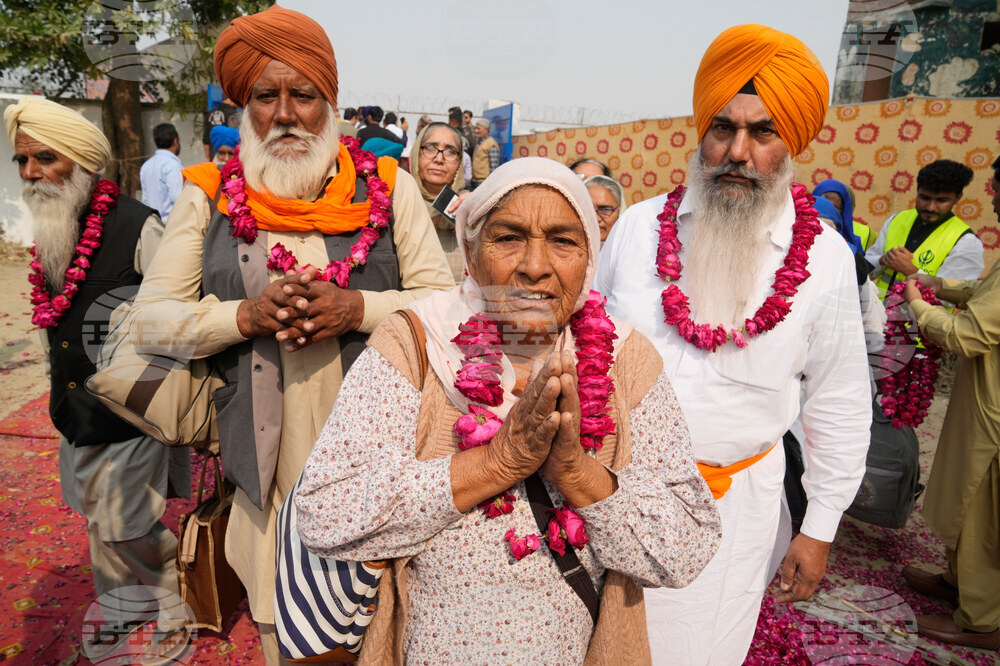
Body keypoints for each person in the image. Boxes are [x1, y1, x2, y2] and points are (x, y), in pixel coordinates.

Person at [294, 157, 721, 664]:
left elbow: (687, 546)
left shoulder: (625, 360)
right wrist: (498, 463)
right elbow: (325, 513)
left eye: (564, 241)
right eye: (509, 237)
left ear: (590, 259)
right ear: (471, 255)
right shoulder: (413, 342)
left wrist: (575, 472)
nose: (535, 265)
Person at [124, 6, 454, 663]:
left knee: (389, 634)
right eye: (264, 96)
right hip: (266, 489)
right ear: (244, 107)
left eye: (302, 95)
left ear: (328, 102)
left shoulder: (391, 188)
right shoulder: (207, 195)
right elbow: (150, 320)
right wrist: (241, 317)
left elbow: (448, 308)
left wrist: (355, 308)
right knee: (288, 644)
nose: (284, 114)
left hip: (383, 480)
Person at [595, 24, 871, 665]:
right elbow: (588, 343)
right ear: (702, 134)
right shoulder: (638, 229)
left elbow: (838, 400)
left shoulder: (824, 261)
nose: (738, 152)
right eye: (723, 128)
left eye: (762, 132)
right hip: (607, 495)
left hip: (731, 512)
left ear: (791, 143)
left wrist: (820, 528)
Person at [5, 96, 190, 659]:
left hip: (132, 406)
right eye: (22, 161)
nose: (32, 173)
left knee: (128, 523)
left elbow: (180, 308)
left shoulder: (139, 225)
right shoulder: (52, 226)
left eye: (45, 158)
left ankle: (174, 604)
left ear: (82, 161)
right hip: (73, 405)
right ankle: (119, 606)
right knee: (96, 519)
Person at [898, 155, 1000, 651]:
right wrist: (939, 286)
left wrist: (919, 303)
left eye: (997, 188)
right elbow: (983, 292)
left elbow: (971, 335)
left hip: (991, 404)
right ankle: (959, 582)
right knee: (964, 492)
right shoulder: (901, 221)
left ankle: (981, 620)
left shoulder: (966, 239)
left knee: (981, 502)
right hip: (979, 395)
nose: (995, 197)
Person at [866, 159, 984, 301]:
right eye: (924, 198)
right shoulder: (897, 219)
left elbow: (954, 296)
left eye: (941, 200)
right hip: (878, 316)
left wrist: (911, 270)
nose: (930, 207)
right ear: (917, 191)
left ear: (957, 198)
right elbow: (868, 264)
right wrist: (883, 259)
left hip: (922, 322)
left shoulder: (966, 242)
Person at [411, 121, 469, 282]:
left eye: (450, 151)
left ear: (459, 162)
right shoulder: (396, 203)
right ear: (417, 153)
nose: (439, 158)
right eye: (430, 148)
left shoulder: (471, 207)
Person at [140, 122, 183, 219]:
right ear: (175, 141)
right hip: (171, 224)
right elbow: (178, 197)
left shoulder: (146, 166)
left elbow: (145, 200)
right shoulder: (173, 165)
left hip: (152, 223)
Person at [813, 178, 871, 250]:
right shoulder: (799, 235)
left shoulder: (853, 245)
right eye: (825, 203)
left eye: (835, 206)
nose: (830, 208)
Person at [583, 174, 626, 243]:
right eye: (588, 210)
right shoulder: (566, 251)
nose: (596, 219)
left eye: (605, 209)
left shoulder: (631, 251)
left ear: (620, 212)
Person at [203, 95, 239, 161]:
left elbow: (206, 140)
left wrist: (207, 158)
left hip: (215, 158)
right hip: (230, 158)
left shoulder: (210, 113)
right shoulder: (233, 114)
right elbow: (237, 139)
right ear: (231, 98)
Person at [470, 119, 499, 189]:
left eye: (478, 128)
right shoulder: (479, 142)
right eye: (475, 128)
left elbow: (494, 167)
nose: (476, 131)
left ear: (486, 129)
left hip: (484, 182)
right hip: (475, 180)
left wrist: (490, 183)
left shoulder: (491, 144)